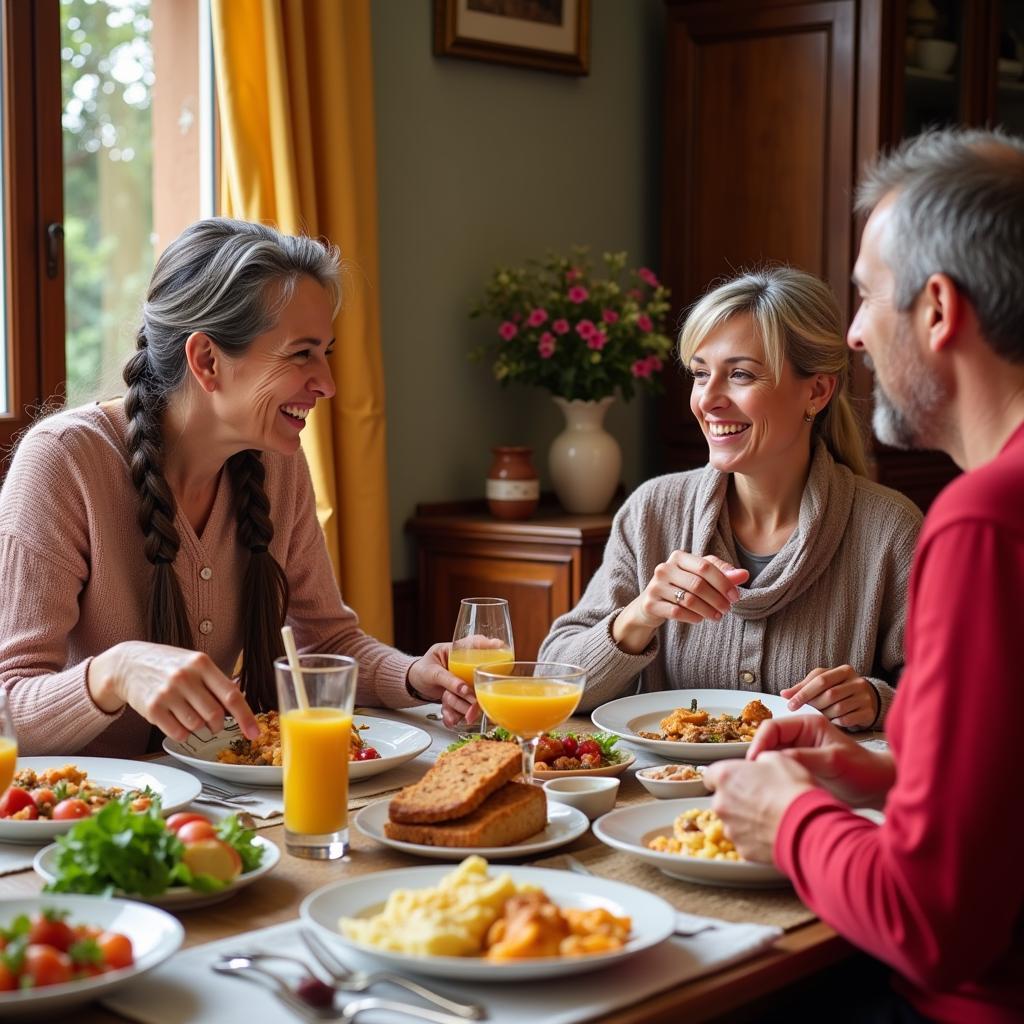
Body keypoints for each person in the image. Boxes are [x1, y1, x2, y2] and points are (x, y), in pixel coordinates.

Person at [704, 127, 1024, 1022]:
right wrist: (873, 780)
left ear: (936, 309)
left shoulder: (982, 522)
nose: (850, 335)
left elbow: (936, 921)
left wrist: (790, 819)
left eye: (865, 298)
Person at [0, 217, 475, 756]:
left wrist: (415, 676)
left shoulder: (278, 464)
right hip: (83, 818)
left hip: (212, 801)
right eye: (302, 353)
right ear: (206, 360)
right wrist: (114, 672)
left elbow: (326, 643)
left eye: (327, 352)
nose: (327, 383)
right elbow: (8, 703)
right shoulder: (64, 463)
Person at [539, 266, 921, 729]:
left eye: (740, 374)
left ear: (816, 391)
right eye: (701, 374)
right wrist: (639, 615)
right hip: (664, 797)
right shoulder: (651, 512)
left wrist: (876, 701)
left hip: (807, 797)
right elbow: (552, 686)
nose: (709, 400)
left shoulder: (891, 530)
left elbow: (951, 701)